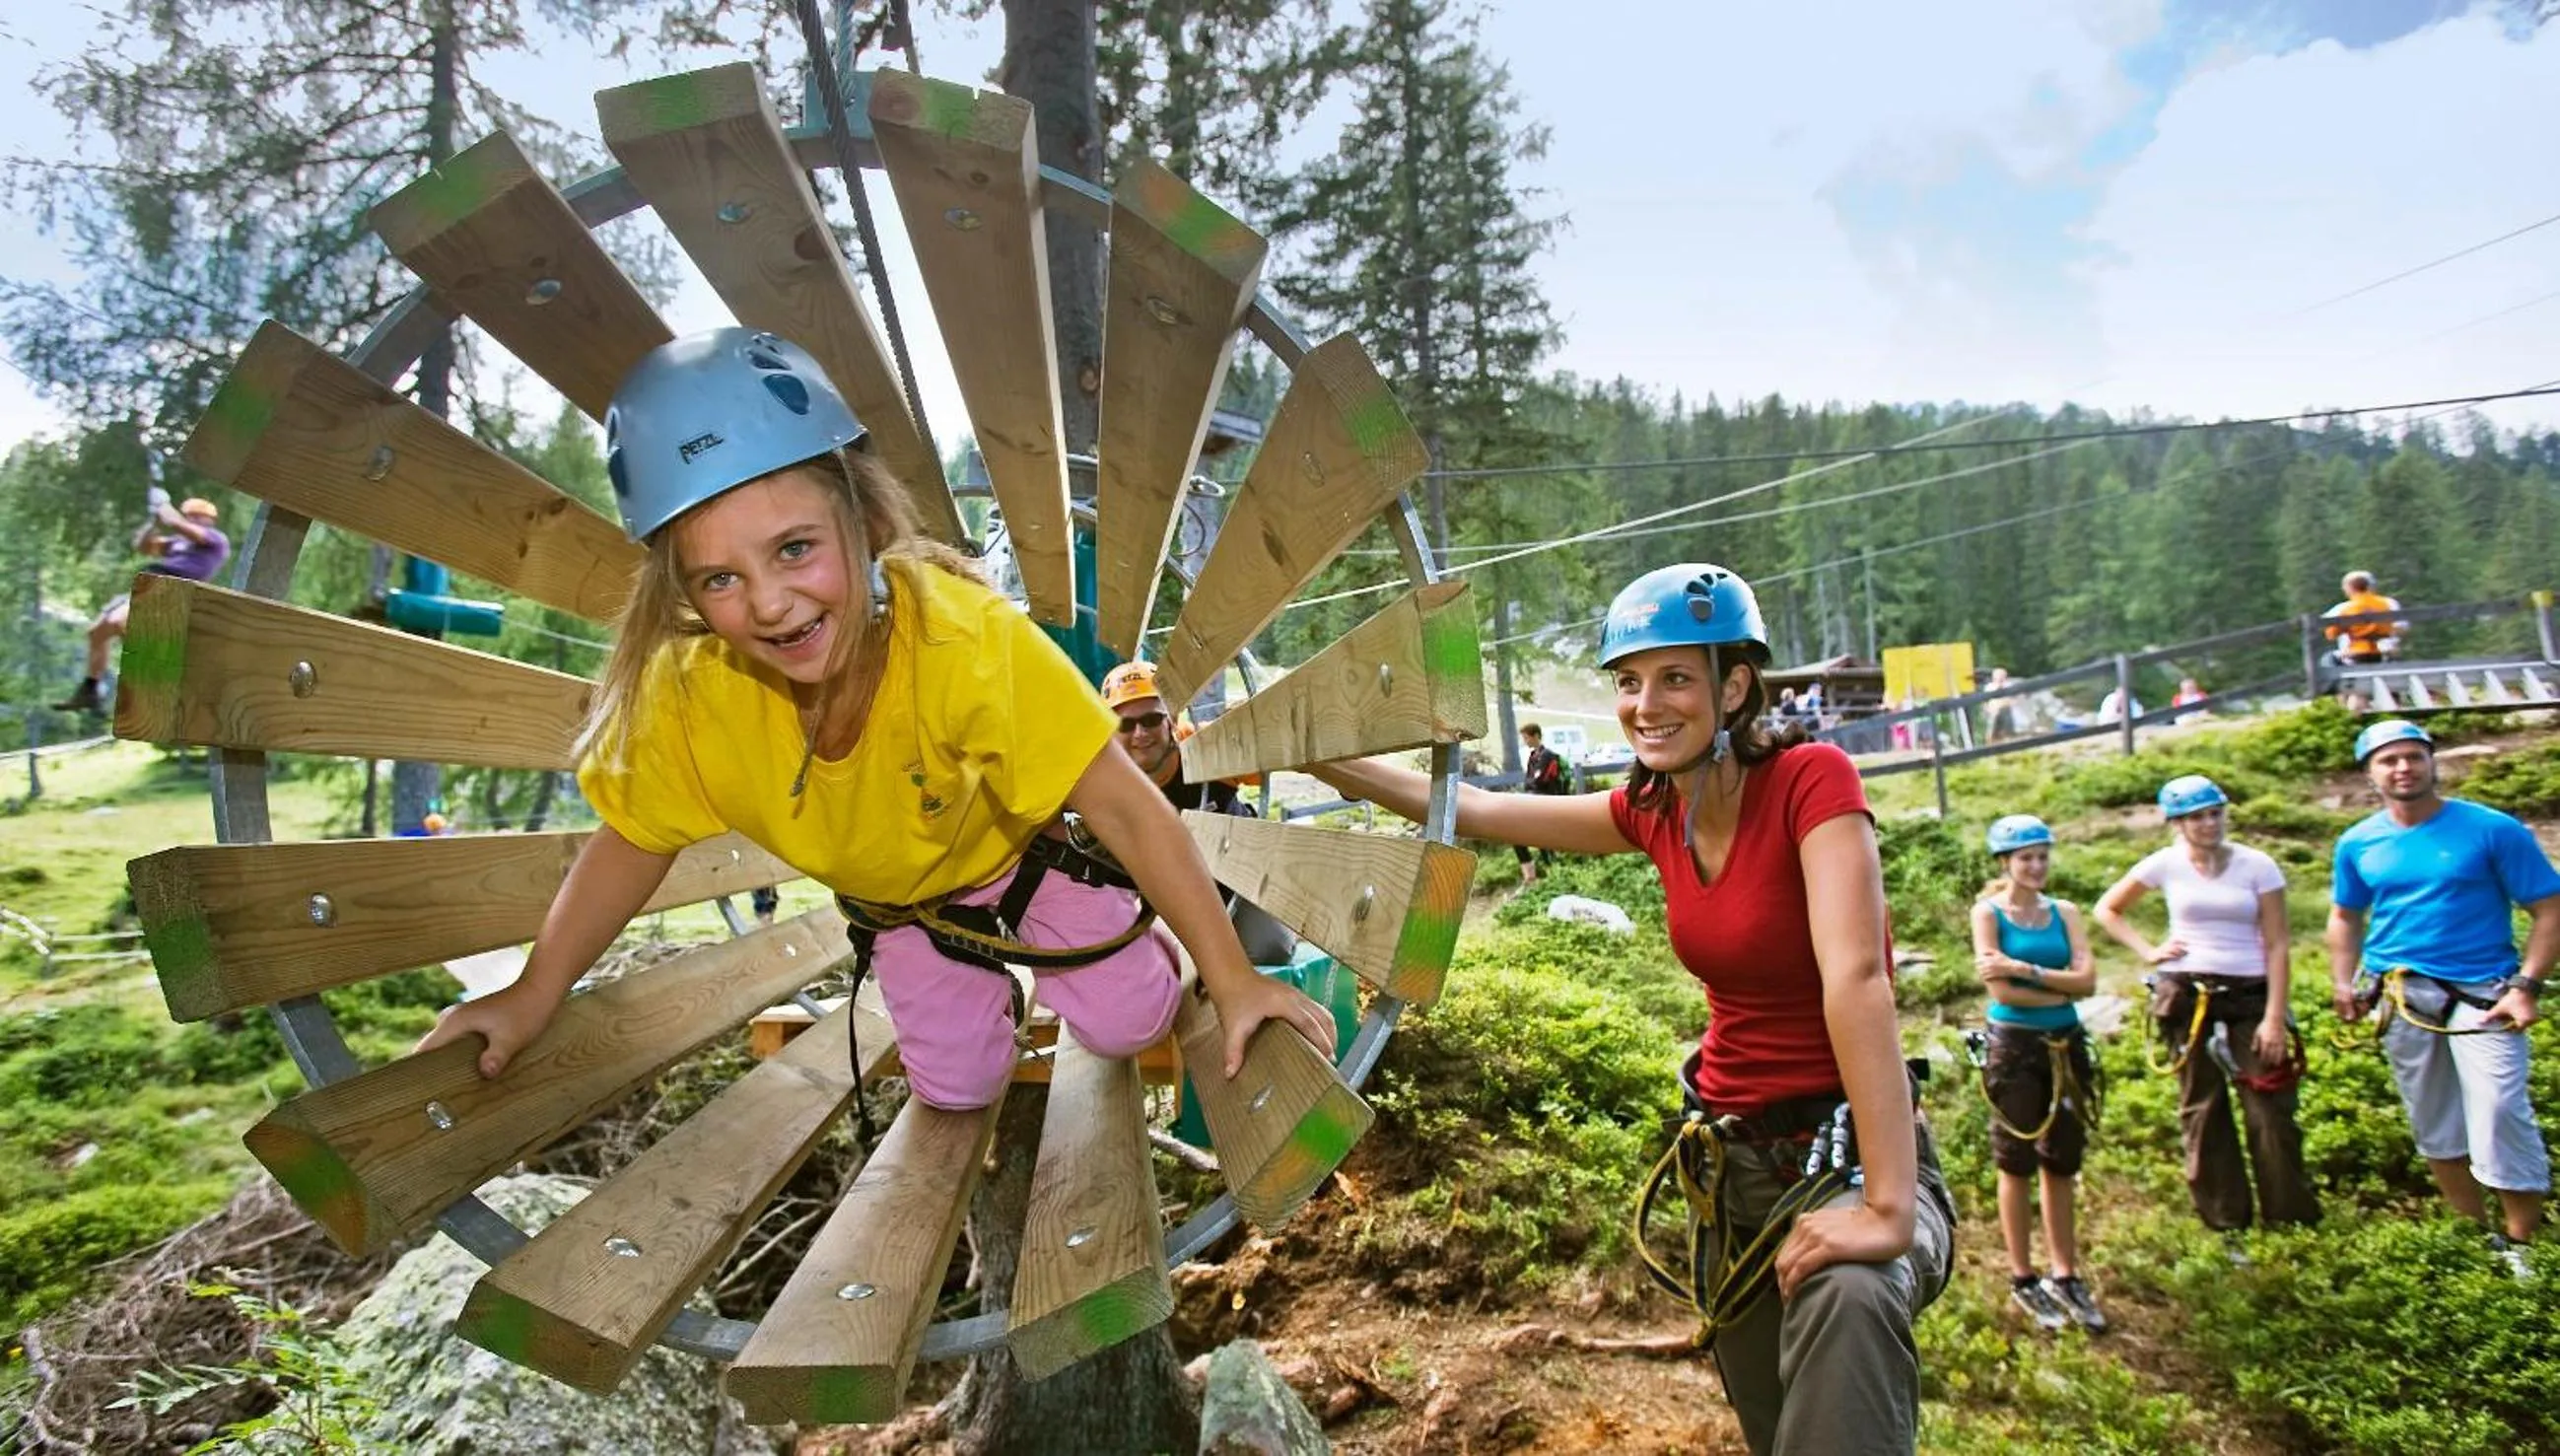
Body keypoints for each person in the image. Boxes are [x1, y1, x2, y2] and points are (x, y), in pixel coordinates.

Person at [414, 328, 1332, 1113]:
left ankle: (1124, 940)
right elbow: (631, 842)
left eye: (794, 548)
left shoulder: (961, 639)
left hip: (1015, 860)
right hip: (904, 911)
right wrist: (535, 991)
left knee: (1134, 1018)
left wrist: (1231, 975)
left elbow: (1126, 804)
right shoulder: (694, 689)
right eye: (720, 579)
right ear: (680, 591)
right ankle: (985, 989)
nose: (770, 603)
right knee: (959, 1089)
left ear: (861, 522)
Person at [1308, 562, 1952, 1456]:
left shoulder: (1811, 780)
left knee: (1850, 1303)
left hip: (1845, 1149)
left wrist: (1885, 1204)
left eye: (1675, 677)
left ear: (1734, 686)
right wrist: (1313, 755)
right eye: (1627, 681)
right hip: (1731, 1166)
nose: (1645, 704)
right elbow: (1478, 809)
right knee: (1776, 1426)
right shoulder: (1653, 811)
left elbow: (1856, 978)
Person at [2326, 720, 2555, 1278]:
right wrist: (2342, 982)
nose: (2403, 768)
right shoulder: (2358, 842)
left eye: (2413, 756)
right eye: (2388, 760)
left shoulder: (2492, 829)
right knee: (2432, 1116)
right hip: (2399, 991)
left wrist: (2526, 986)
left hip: (2486, 990)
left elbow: (2550, 909)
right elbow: (2345, 915)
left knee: (2499, 1107)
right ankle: (2473, 1236)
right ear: (2370, 773)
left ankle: (2523, 1242)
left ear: (2432, 762)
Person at [2094, 776, 2318, 1251]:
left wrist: (2274, 1017)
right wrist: (2150, 951)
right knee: (2202, 1107)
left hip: (2250, 994)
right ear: (2177, 823)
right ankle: (2225, 1220)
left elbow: (2278, 943)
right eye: (2196, 817)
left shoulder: (2258, 866)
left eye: (2215, 813)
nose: (2209, 824)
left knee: (2269, 1107)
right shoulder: (2165, 864)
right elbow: (2108, 909)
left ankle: (2289, 1217)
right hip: (2188, 994)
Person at [1971, 814, 2105, 1334]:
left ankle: (2064, 1272)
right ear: (2006, 862)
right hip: (2015, 1048)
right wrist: (2060, 988)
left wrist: (2025, 970)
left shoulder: (2064, 911)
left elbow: (2088, 981)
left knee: (2061, 1159)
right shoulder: (1988, 914)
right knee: (2016, 1158)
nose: (2036, 866)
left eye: (2042, 856)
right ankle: (2022, 1275)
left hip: (2065, 1045)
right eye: (2026, 857)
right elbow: (2001, 993)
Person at [1099, 659, 1297, 965]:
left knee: (1270, 948)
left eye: (1151, 719)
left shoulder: (1204, 746)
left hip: (1239, 878)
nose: (1139, 733)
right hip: (1172, 896)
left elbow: (1286, 755)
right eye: (1125, 724)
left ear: (1171, 719)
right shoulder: (1106, 782)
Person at [53, 492, 231, 714]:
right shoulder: (177, 542)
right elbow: (144, 546)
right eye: (188, 515)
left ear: (209, 520)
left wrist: (164, 506)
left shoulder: (215, 540)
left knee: (120, 622)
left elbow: (176, 523)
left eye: (197, 516)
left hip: (172, 588)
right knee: (97, 632)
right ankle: (90, 690)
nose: (191, 519)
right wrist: (153, 522)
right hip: (149, 583)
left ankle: (150, 678)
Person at [1513, 722, 1568, 883]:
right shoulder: (1533, 756)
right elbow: (1529, 781)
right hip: (1533, 800)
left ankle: (1553, 872)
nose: (1525, 741)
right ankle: (1531, 876)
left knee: (1542, 837)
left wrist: (1530, 784)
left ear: (1536, 735)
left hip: (1545, 801)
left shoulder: (1547, 756)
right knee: (1518, 835)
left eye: (1526, 738)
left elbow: (1539, 780)